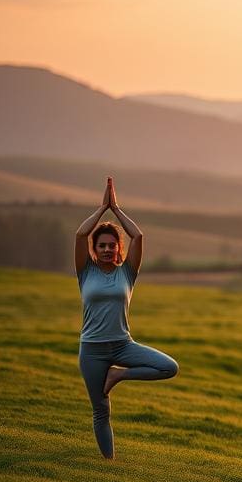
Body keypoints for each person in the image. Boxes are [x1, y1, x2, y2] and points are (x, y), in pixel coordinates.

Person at [75, 177, 178, 459]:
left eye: (112, 245)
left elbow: (139, 236)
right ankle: (109, 464)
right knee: (101, 411)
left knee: (169, 367)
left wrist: (116, 209)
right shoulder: (85, 272)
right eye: (102, 245)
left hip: (123, 345)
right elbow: (80, 235)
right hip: (92, 350)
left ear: (119, 249)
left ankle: (118, 374)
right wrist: (101, 209)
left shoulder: (127, 274)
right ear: (95, 250)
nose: (108, 249)